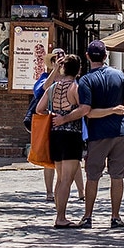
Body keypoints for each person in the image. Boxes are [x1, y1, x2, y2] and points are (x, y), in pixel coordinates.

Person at [52, 39, 124, 229]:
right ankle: (115, 216)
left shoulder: (86, 80)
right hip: (119, 132)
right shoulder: (119, 75)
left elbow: (87, 110)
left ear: (88, 57)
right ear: (105, 56)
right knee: (118, 177)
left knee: (93, 176)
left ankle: (88, 216)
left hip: (97, 134)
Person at [36, 55, 85, 228]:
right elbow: (83, 109)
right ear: (78, 70)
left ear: (63, 69)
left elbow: (39, 109)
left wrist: (53, 116)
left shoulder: (53, 88)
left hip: (55, 135)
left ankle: (59, 214)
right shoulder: (75, 87)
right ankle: (61, 217)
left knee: (60, 178)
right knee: (67, 179)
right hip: (71, 136)